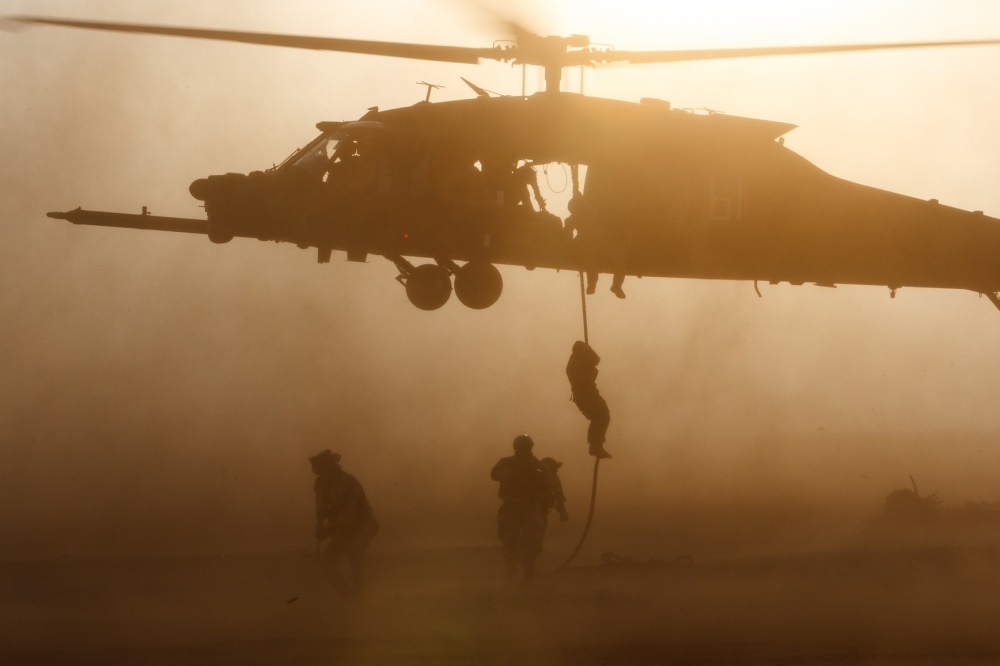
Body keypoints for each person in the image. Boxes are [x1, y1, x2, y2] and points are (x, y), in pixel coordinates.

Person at [310, 449, 380, 598]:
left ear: (333, 467)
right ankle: (346, 597)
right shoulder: (320, 484)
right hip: (343, 527)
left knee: (354, 555)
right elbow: (321, 508)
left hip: (364, 525)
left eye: (324, 469)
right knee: (326, 563)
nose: (321, 473)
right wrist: (320, 526)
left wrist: (328, 531)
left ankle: (357, 597)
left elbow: (348, 515)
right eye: (319, 470)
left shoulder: (350, 484)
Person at [490, 434, 559, 584]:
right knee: (509, 539)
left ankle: (528, 573)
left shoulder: (540, 467)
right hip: (511, 506)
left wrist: (539, 480)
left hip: (531, 506)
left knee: (532, 541)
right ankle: (512, 572)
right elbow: (494, 474)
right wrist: (507, 474)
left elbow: (551, 485)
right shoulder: (506, 463)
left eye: (524, 448)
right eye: (520, 448)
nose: (522, 451)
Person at [566, 340, 612, 459]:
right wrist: (588, 348)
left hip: (579, 396)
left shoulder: (571, 362)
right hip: (588, 393)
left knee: (597, 417)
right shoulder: (581, 355)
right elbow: (596, 359)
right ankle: (595, 446)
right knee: (603, 414)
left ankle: (596, 445)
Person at [540, 457, 569, 523]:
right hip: (538, 509)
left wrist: (562, 511)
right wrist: (563, 512)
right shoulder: (554, 478)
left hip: (536, 509)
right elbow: (559, 496)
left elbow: (559, 496)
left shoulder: (534, 475)